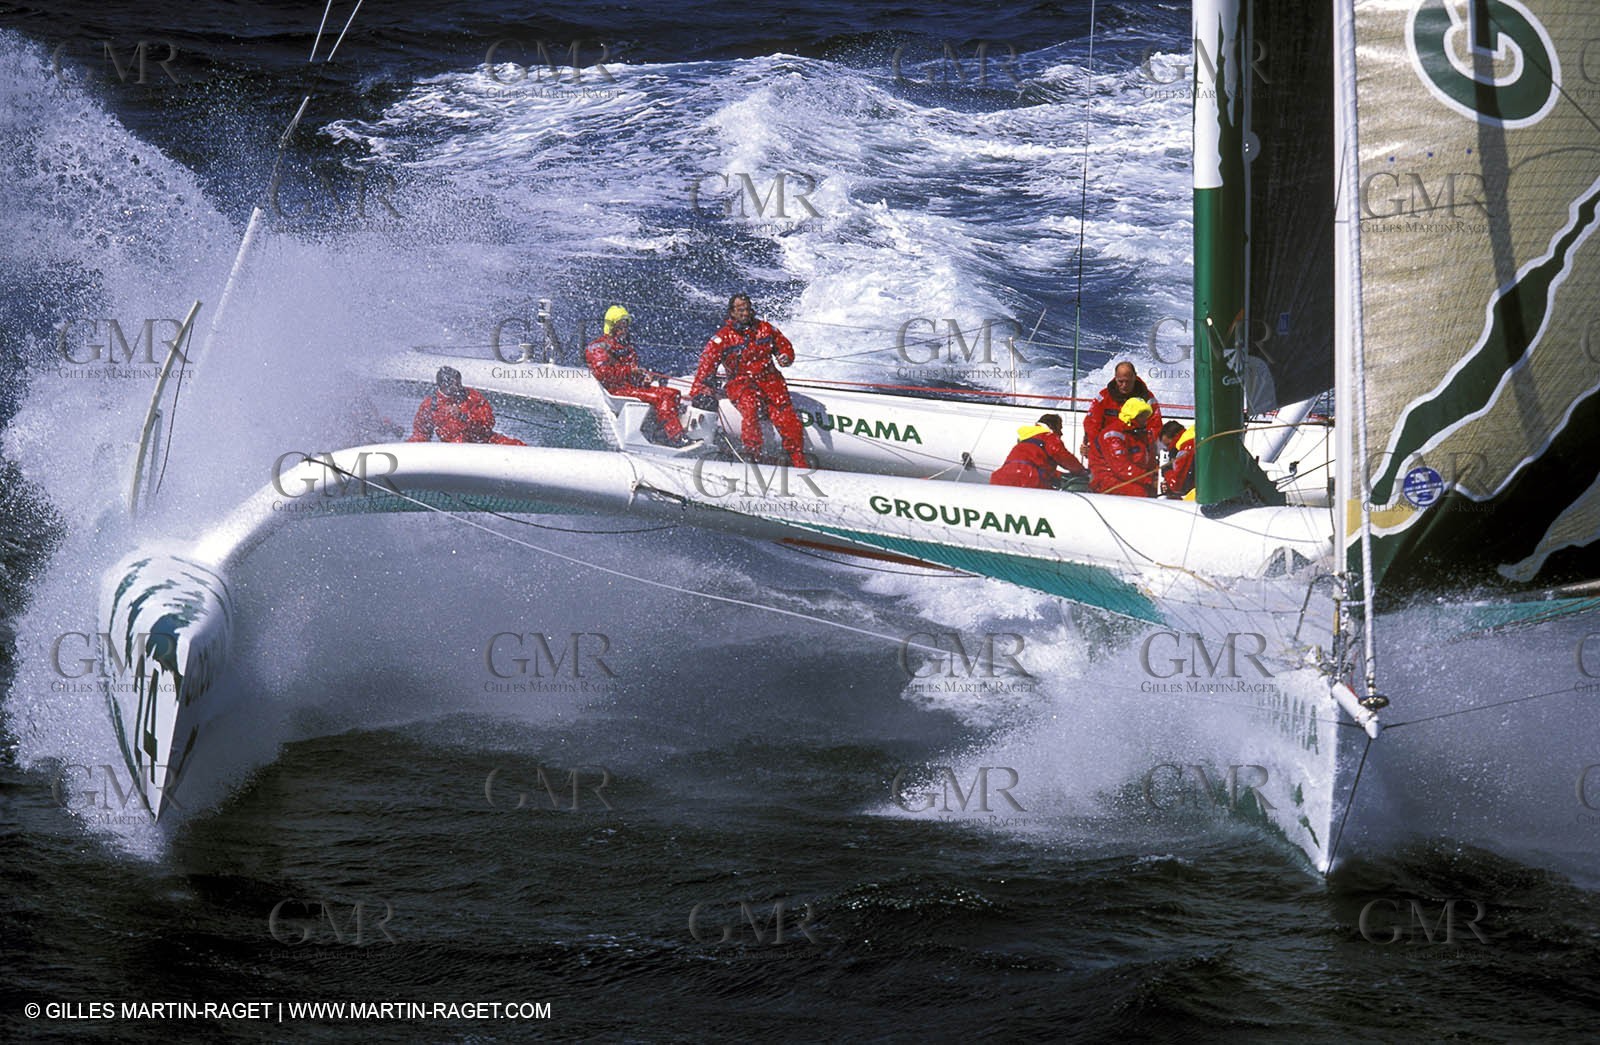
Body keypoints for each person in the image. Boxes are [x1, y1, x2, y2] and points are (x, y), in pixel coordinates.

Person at [689, 293, 809, 468]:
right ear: (732, 312)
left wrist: (785, 357)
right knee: (750, 408)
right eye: (740, 310)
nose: (745, 313)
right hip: (741, 383)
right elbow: (706, 366)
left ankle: (798, 459)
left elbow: (784, 347)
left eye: (747, 309)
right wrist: (700, 389)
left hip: (771, 381)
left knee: (786, 415)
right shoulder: (722, 338)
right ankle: (752, 456)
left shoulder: (766, 329)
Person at [584, 305, 692, 447]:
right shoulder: (598, 346)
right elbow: (604, 374)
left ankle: (661, 433)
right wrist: (630, 371)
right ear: (611, 326)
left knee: (674, 393)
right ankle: (675, 438)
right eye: (620, 326)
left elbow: (631, 374)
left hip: (628, 387)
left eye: (625, 326)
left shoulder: (626, 347)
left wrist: (643, 379)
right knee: (663, 397)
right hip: (616, 390)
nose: (623, 330)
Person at [407, 366, 525, 445]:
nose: (459, 388)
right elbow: (421, 433)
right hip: (454, 450)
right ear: (442, 385)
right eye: (455, 385)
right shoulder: (430, 405)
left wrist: (464, 416)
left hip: (484, 443)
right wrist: (409, 448)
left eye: (459, 383)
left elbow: (488, 423)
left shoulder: (472, 396)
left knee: (518, 447)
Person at [1082, 361, 1164, 459]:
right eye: (1120, 381)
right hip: (1107, 449)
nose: (1124, 385)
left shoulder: (1148, 399)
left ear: (1134, 377)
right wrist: (1096, 446)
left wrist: (1139, 448)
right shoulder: (1103, 397)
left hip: (1136, 451)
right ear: (1115, 378)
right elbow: (1091, 424)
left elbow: (1155, 427)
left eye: (1128, 381)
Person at [989, 413, 1089, 489]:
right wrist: (1081, 471)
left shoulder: (1025, 440)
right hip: (1028, 479)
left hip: (1000, 479)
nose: (1061, 433)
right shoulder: (1048, 437)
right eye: (1060, 428)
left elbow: (1033, 464)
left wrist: (1060, 475)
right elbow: (1063, 456)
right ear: (1051, 427)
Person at [1087, 396, 1158, 496]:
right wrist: (1149, 479)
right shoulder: (1113, 435)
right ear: (1132, 416)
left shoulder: (1140, 434)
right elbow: (1122, 468)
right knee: (1140, 493)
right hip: (1106, 479)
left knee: (1156, 492)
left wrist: (1157, 476)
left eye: (1146, 415)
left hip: (1132, 478)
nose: (1145, 420)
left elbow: (1148, 461)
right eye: (1141, 415)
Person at [1159, 420, 1196, 499]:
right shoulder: (1194, 439)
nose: (1169, 449)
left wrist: (1166, 472)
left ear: (1175, 436)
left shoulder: (1186, 447)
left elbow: (1177, 484)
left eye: (1169, 445)